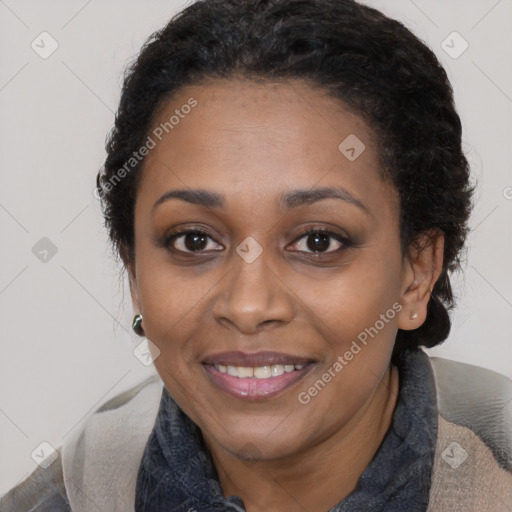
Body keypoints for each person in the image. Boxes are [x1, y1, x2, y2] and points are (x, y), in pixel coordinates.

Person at [1, 0, 511, 511]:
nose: (248, 306)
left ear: (416, 272)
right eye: (193, 240)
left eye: (318, 241)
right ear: (134, 270)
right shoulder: (62, 498)